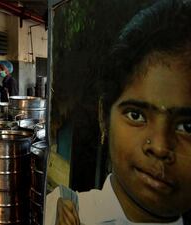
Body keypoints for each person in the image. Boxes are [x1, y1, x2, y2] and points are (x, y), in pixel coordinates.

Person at [45, 0, 191, 224]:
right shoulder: (62, 212)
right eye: (136, 115)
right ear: (104, 117)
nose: (160, 147)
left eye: (187, 127)